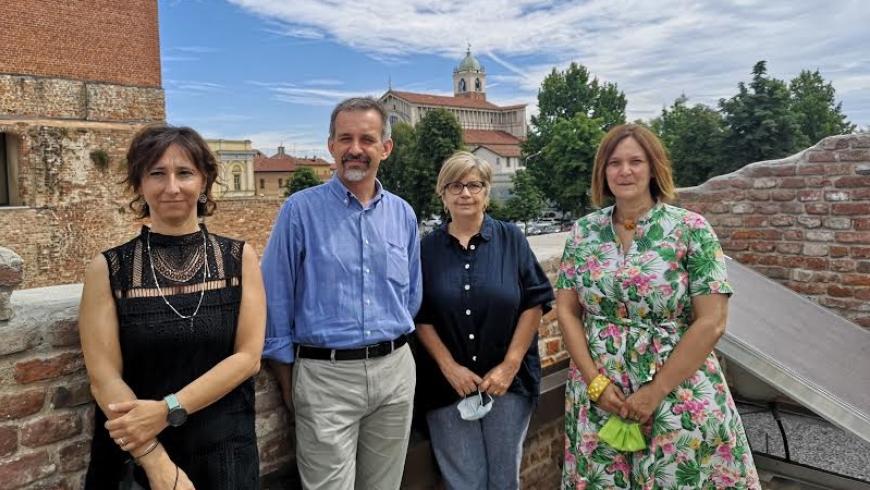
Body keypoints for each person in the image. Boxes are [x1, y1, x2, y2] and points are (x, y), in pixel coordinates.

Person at [556, 124, 760, 489]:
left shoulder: (691, 229)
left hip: (675, 389)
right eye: (614, 163)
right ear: (603, 171)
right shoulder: (583, 233)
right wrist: (595, 383)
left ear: (654, 168)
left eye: (636, 161)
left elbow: (712, 321)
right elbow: (568, 311)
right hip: (602, 394)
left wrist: (655, 391)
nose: (625, 171)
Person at [79, 125, 266, 489]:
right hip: (136, 457)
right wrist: (157, 463)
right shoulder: (108, 269)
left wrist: (168, 410)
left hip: (225, 451)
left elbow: (248, 358)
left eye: (184, 173)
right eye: (157, 174)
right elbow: (104, 380)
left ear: (205, 181)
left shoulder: (239, 259)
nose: (172, 187)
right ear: (139, 183)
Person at [261, 97, 421, 489]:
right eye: (345, 138)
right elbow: (275, 296)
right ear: (330, 145)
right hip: (324, 377)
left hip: (395, 372)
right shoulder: (299, 211)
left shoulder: (403, 213)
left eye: (367, 139)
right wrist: (287, 376)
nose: (355, 149)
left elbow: (411, 295)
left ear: (386, 148)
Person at [414, 151, 554, 490]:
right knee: (465, 481)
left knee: (504, 478)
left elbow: (534, 302)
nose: (465, 193)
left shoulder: (511, 239)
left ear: (486, 192)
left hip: (507, 384)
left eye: (474, 185)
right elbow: (420, 315)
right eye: (455, 185)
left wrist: (509, 365)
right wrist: (449, 368)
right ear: (443, 193)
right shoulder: (425, 250)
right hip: (447, 387)